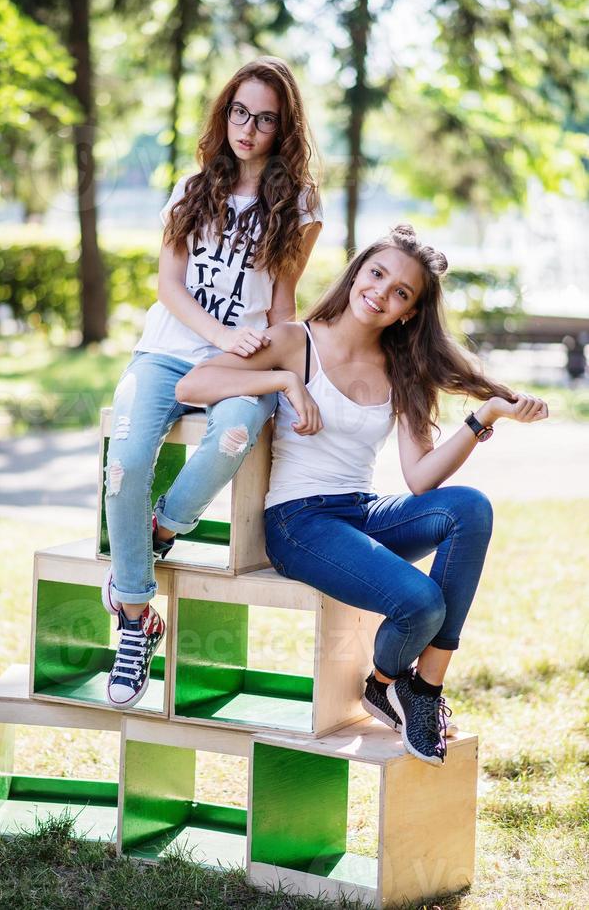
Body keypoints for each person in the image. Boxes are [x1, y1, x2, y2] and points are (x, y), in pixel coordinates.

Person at [176, 224, 548, 765]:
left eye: (402, 292)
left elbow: (421, 479)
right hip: (298, 524)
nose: (382, 292)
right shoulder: (293, 341)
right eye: (377, 274)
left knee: (471, 507)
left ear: (409, 313)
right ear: (357, 273)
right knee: (419, 603)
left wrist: (484, 416)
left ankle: (417, 688)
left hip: (361, 510)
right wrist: (284, 382)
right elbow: (194, 385)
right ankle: (388, 684)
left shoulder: (403, 369)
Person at [103, 56, 322, 708]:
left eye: (263, 118)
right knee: (128, 461)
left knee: (232, 435)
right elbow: (169, 287)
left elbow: (283, 300)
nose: (247, 128)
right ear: (224, 112)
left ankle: (164, 527)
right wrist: (219, 334)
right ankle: (137, 617)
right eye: (238, 111)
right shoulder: (190, 188)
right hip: (166, 352)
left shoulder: (300, 205)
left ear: (283, 128)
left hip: (245, 366)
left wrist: (286, 379)